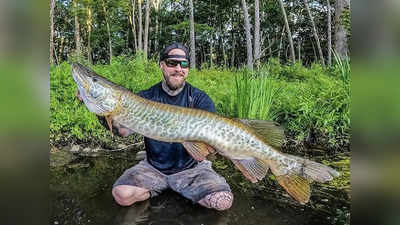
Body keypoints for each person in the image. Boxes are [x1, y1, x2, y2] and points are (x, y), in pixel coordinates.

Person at [77, 43, 233, 211]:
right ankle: (170, 189)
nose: (178, 68)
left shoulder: (199, 99)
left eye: (184, 64)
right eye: (172, 63)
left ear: (188, 68)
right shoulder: (146, 97)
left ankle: (177, 188)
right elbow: (122, 131)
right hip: (154, 168)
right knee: (122, 194)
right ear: (162, 65)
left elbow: (208, 147)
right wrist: (101, 111)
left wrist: (214, 149)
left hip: (191, 169)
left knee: (222, 201)